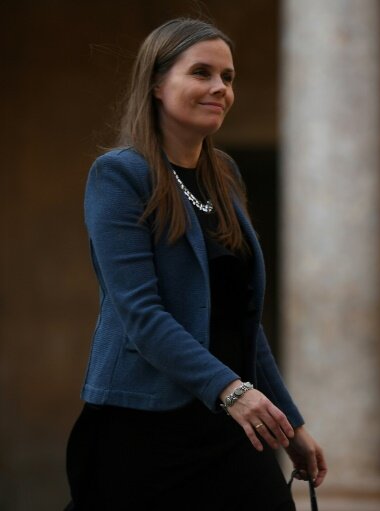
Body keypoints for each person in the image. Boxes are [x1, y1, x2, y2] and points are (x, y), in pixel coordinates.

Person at [65, 18, 327, 510]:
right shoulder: (119, 176)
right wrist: (233, 392)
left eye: (227, 77)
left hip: (230, 421)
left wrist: (289, 423)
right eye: (202, 73)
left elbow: (242, 318)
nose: (219, 88)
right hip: (144, 426)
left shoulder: (223, 175)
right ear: (158, 84)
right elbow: (141, 314)